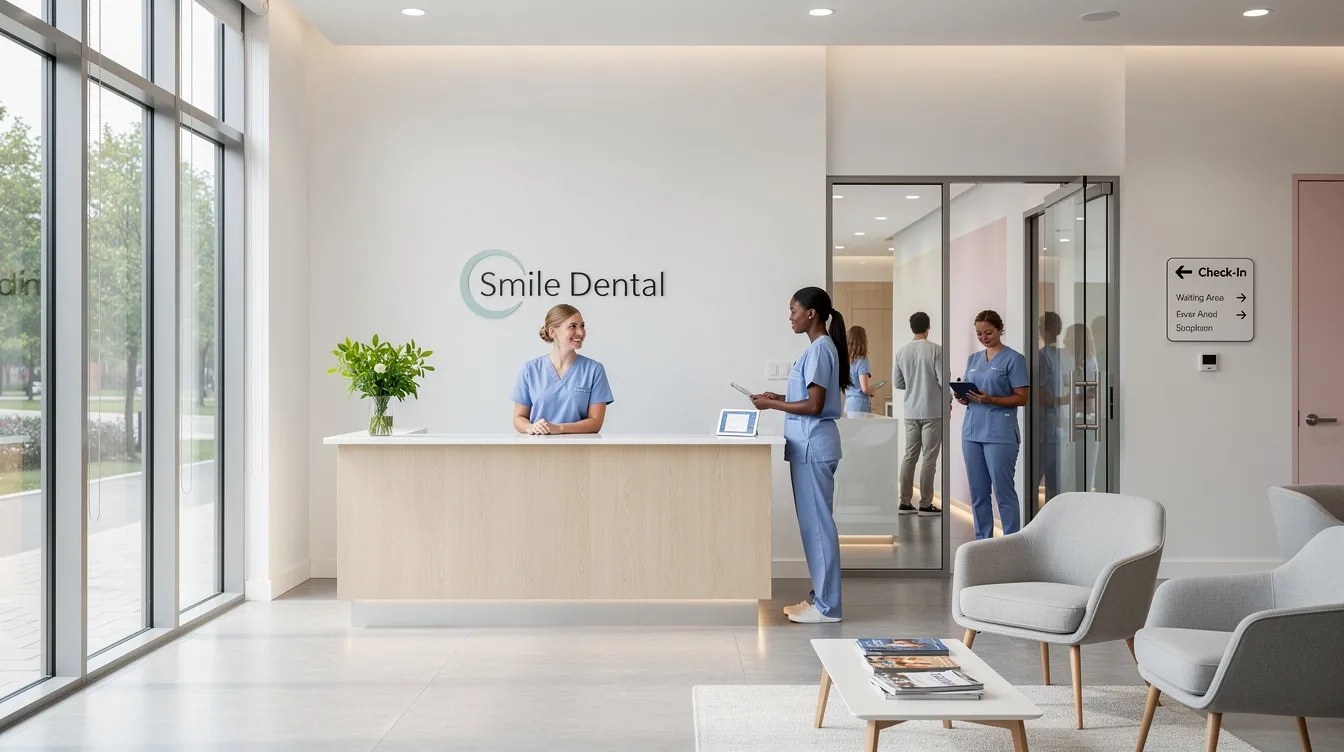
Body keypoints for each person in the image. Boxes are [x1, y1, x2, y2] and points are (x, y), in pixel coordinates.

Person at [750, 286, 850, 624]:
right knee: (814, 527)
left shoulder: (821, 349)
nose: (789, 316)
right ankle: (820, 597)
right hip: (809, 446)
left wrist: (772, 404)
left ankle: (827, 607)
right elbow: (806, 395)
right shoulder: (816, 350)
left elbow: (815, 405)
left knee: (818, 528)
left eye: (793, 310)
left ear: (811, 313)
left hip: (813, 447)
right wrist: (779, 395)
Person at [955, 310, 1029, 540]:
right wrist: (962, 397)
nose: (984, 337)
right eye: (979, 334)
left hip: (1000, 434)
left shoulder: (1014, 359)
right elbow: (971, 392)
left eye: (988, 332)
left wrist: (992, 399)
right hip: (972, 433)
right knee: (978, 493)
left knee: (1003, 492)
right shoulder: (973, 360)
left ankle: (1011, 543)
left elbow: (1022, 398)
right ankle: (982, 543)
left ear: (999, 330)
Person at [511, 304, 613, 435]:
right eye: (573, 326)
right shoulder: (530, 369)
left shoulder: (594, 370)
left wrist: (558, 428)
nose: (581, 332)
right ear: (553, 332)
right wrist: (531, 428)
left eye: (582, 325)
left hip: (580, 449)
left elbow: (595, 423)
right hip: (537, 449)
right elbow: (519, 418)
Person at [893, 312, 943, 516]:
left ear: (911, 327)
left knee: (909, 456)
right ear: (928, 326)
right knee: (929, 458)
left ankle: (904, 502)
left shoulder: (902, 352)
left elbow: (898, 383)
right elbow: (942, 379)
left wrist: (913, 385)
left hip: (910, 411)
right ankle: (925, 503)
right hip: (932, 411)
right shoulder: (936, 350)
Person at [1035, 312, 1065, 506]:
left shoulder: (1049, 356)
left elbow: (1042, 397)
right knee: (1052, 483)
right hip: (1048, 429)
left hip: (1051, 429)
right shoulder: (1048, 356)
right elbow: (1041, 397)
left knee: (1051, 483)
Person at [844, 325, 875, 413]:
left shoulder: (846, 362)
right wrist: (872, 390)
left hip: (849, 403)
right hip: (859, 404)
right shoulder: (862, 361)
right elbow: (864, 389)